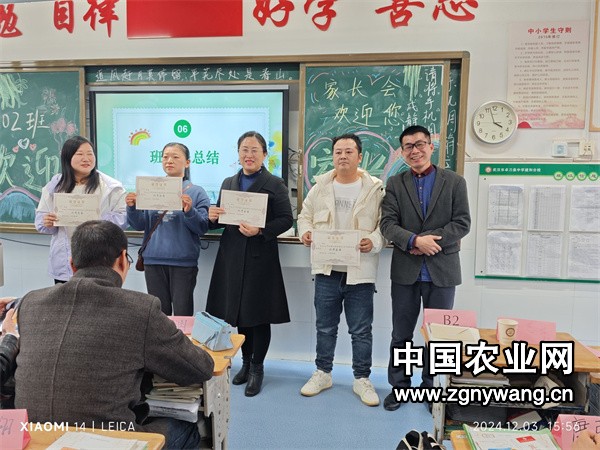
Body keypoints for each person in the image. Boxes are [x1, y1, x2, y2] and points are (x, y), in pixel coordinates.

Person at [14, 220, 215, 448]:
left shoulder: (31, 303)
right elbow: (200, 368)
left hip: (33, 436)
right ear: (121, 259)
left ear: (72, 265)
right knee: (188, 428)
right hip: (109, 439)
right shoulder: (141, 308)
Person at [379, 125, 471, 411]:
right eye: (408, 146)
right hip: (406, 271)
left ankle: (431, 388)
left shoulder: (454, 182)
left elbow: (462, 223)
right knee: (401, 334)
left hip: (442, 270)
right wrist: (414, 240)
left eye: (420, 144)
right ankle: (400, 387)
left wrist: (431, 241)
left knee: (438, 337)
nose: (414, 150)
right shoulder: (395, 183)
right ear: (402, 152)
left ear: (431, 147)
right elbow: (387, 224)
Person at [297, 133, 386, 407]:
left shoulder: (375, 189)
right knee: (325, 327)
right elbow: (304, 216)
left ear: (359, 156)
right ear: (333, 156)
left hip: (360, 271)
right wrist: (306, 232)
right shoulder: (320, 187)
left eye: (349, 151)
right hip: (327, 270)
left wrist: (373, 241)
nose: (343, 156)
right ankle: (323, 373)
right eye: (338, 152)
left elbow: (385, 225)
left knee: (361, 330)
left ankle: (362, 379)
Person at [206, 131, 293, 397]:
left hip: (259, 258)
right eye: (244, 149)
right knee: (239, 314)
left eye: (255, 150)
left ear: (264, 154)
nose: (249, 155)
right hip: (232, 256)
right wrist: (212, 216)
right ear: (238, 153)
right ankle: (244, 363)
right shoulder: (228, 182)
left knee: (259, 315)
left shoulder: (275, 183)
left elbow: (286, 219)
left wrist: (261, 230)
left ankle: (257, 368)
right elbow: (221, 219)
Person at [127, 142, 210, 316]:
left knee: (182, 315)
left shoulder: (196, 192)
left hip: (183, 262)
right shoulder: (150, 189)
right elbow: (140, 224)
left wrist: (189, 211)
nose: (169, 161)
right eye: (165, 157)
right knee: (159, 316)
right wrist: (132, 207)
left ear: (187, 162)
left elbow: (202, 227)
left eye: (175, 157)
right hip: (153, 261)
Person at [35, 136, 127, 283]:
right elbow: (40, 221)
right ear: (67, 157)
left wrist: (97, 221)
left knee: (98, 296)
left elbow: (123, 218)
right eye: (80, 154)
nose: (86, 159)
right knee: (64, 298)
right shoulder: (55, 185)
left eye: (90, 154)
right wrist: (48, 222)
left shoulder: (111, 187)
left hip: (101, 259)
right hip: (65, 260)